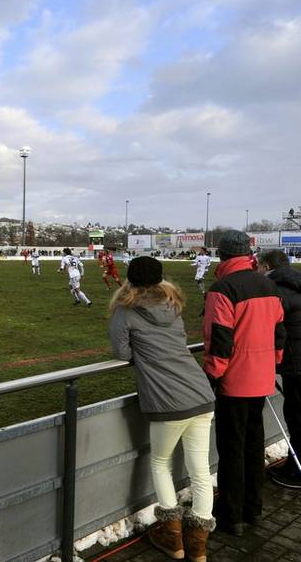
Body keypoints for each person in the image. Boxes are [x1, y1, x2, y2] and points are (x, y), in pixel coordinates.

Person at [109, 256, 215, 560]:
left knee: (160, 463)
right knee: (200, 470)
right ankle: (198, 545)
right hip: (200, 393)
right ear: (159, 278)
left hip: (168, 401)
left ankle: (174, 538)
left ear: (131, 278)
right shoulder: (172, 305)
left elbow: (120, 351)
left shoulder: (125, 310)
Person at [203, 230, 286, 536]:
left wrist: (212, 375)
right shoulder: (268, 284)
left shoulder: (223, 287)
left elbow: (220, 341)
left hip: (234, 382)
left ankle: (231, 515)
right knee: (253, 447)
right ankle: (254, 510)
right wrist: (272, 363)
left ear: (222, 255)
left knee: (232, 450)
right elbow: (280, 332)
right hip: (261, 378)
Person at [257, 249, 301, 489]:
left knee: (296, 416)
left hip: (295, 365)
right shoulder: (294, 283)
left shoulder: (276, 291)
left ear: (266, 267)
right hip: (294, 363)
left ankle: (296, 470)